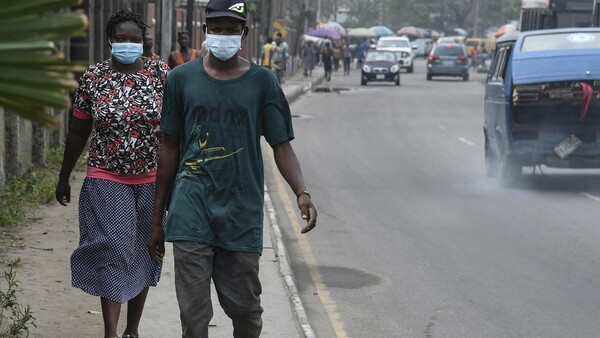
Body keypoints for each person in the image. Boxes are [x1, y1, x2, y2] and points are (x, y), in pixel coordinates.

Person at [146, 0, 318, 337]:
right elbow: (169, 147)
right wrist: (156, 219)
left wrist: (302, 191)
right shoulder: (181, 79)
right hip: (191, 208)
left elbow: (281, 144)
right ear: (206, 30)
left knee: (247, 312)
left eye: (231, 29)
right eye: (217, 29)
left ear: (244, 32)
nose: (223, 35)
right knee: (193, 318)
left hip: (241, 211)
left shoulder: (263, 82)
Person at [55, 9, 169, 338]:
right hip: (107, 177)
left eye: (134, 39)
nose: (127, 44)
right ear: (109, 40)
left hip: (151, 180)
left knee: (144, 251)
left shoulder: (161, 75)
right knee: (115, 249)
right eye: (121, 39)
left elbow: (175, 131)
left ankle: (133, 329)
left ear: (144, 41)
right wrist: (64, 176)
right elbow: (77, 131)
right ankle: (111, 332)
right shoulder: (94, 77)